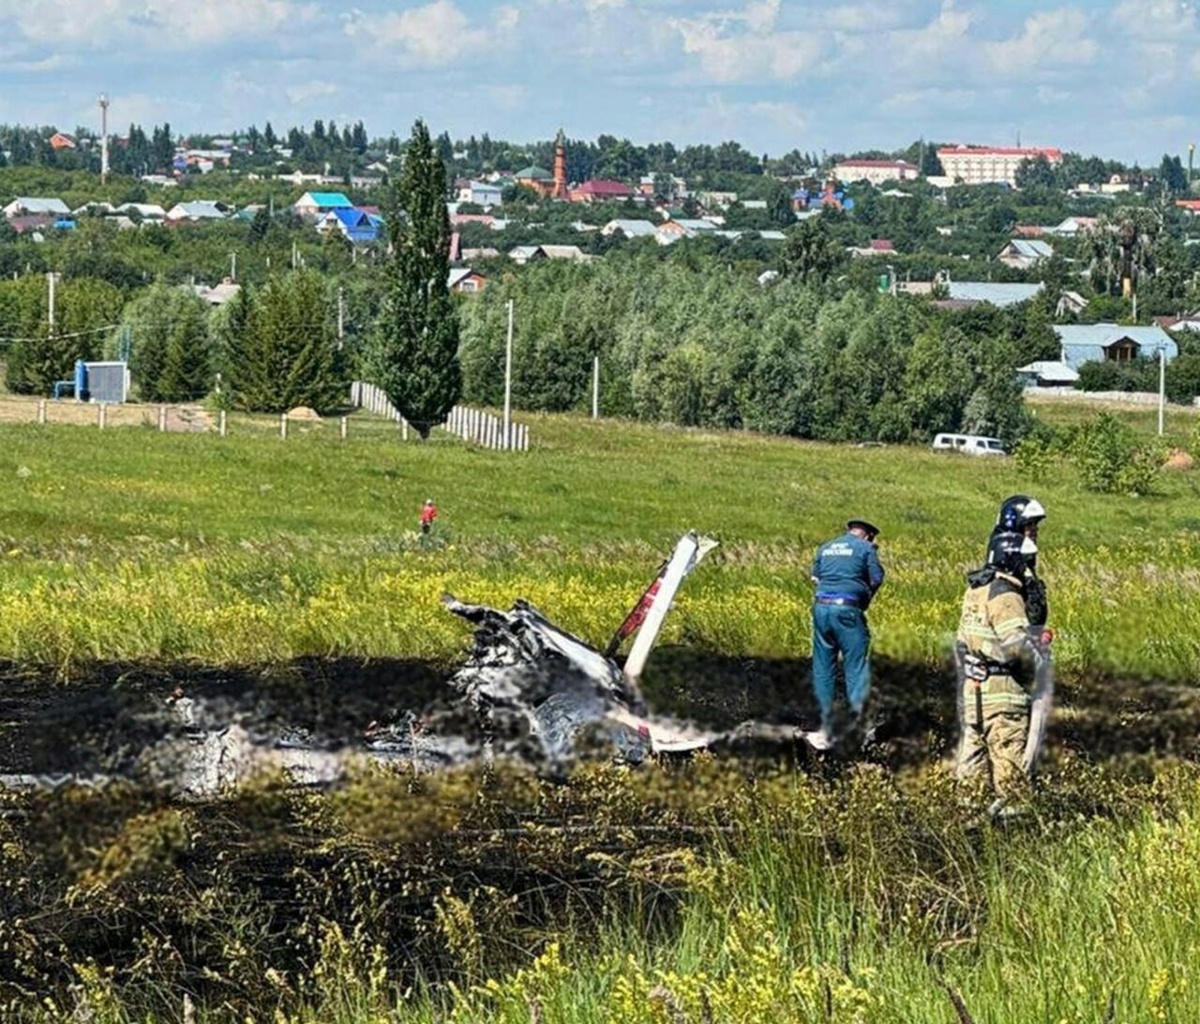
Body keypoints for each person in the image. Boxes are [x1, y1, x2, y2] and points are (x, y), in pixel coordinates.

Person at [954, 528, 1052, 814]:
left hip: (975, 696)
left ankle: (969, 824)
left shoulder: (975, 590)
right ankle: (1014, 829)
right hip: (1004, 698)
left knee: (971, 773)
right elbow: (1017, 648)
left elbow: (962, 642)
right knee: (1011, 774)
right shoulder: (1006, 595)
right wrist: (1038, 666)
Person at [804, 518, 886, 750]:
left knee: (823, 666)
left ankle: (824, 724)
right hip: (848, 611)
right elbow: (877, 578)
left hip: (821, 609)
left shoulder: (825, 547)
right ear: (868, 536)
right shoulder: (866, 549)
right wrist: (865, 597)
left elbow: (815, 578)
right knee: (855, 665)